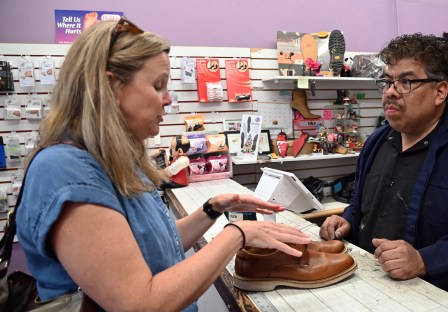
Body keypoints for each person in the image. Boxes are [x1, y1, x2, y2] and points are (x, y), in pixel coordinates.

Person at [15, 18, 311, 311]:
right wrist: (239, 235)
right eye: (158, 86)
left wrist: (212, 209)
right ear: (110, 87)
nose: (168, 99)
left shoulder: (111, 161)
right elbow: (140, 303)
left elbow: (157, 250)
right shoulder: (65, 172)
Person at [319, 33, 448, 309]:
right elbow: (362, 203)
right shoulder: (377, 141)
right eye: (387, 81)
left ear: (440, 92)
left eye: (406, 82)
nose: (390, 91)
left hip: (439, 298)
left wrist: (425, 260)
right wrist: (347, 220)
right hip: (368, 288)